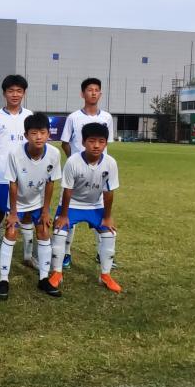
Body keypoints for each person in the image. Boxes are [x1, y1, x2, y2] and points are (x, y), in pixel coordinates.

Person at [50, 122, 122, 294]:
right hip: (72, 204)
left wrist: (107, 217)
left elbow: (109, 192)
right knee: (59, 231)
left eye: (101, 141)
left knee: (109, 233)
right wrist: (63, 216)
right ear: (83, 142)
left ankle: (105, 275)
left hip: (95, 205)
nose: (96, 145)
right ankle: (57, 272)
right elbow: (67, 190)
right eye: (91, 141)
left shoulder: (110, 163)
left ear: (106, 143)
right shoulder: (72, 161)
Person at [0, 112, 62, 299]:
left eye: (42, 132)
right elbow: (13, 183)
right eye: (34, 133)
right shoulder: (15, 154)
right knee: (11, 232)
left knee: (44, 231)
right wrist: (13, 213)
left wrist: (46, 211)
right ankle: (3, 280)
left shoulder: (54, 154)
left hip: (38, 202)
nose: (38, 137)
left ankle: (43, 278)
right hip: (17, 202)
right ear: (26, 135)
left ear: (49, 134)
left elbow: (50, 183)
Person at [59, 77, 115, 270]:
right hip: (77, 174)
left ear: (100, 93)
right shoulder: (73, 117)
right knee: (68, 212)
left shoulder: (107, 117)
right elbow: (65, 143)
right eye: (89, 90)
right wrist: (75, 162)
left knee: (101, 212)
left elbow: (107, 145)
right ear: (82, 94)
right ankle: (66, 253)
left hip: (99, 174)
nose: (93, 93)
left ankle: (102, 253)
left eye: (96, 90)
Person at [0, 75, 32, 272]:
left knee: (26, 215)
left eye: (19, 91)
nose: (15, 94)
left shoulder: (29, 116)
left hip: (25, 177)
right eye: (11, 91)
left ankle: (28, 256)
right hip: (1, 176)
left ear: (24, 93)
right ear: (4, 93)